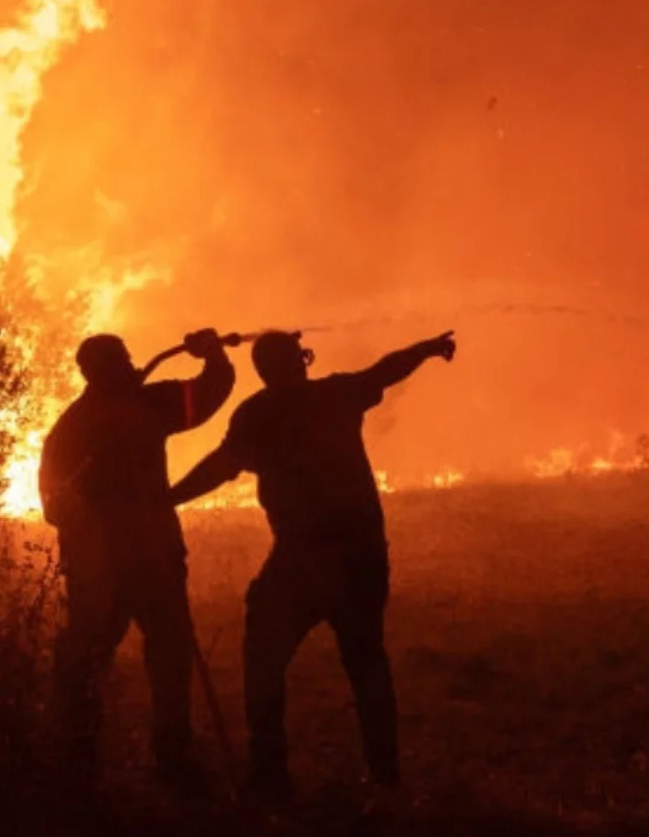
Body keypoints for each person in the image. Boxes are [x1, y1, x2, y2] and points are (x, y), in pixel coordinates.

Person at [170, 328, 456, 798]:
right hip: (361, 552)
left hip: (301, 558)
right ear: (301, 360)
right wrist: (425, 348)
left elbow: (222, 466)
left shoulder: (258, 413)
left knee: (264, 657)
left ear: (262, 370)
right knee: (366, 660)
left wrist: (169, 498)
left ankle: (270, 775)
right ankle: (384, 776)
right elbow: (386, 369)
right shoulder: (337, 395)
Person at [39, 327, 236, 795]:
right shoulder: (129, 413)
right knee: (119, 658)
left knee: (144, 655)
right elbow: (55, 505)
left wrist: (213, 356)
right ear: (100, 371)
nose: (131, 366)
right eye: (122, 361)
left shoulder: (95, 420)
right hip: (129, 563)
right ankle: (102, 757)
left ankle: (120, 755)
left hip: (129, 563)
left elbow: (208, 393)